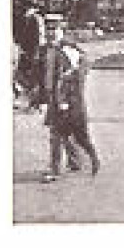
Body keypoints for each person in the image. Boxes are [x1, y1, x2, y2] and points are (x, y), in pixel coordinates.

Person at [42, 17, 99, 181]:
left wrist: (74, 76)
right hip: (53, 96)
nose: (51, 33)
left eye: (55, 29)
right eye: (48, 29)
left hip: (67, 98)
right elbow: (44, 72)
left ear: (61, 31)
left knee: (58, 133)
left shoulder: (68, 48)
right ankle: (75, 162)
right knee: (63, 133)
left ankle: (55, 169)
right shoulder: (46, 49)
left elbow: (84, 64)